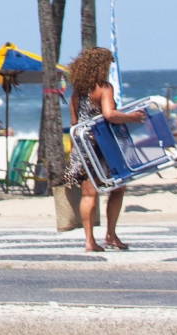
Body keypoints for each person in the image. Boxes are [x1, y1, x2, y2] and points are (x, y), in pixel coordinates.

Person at [64, 46, 145, 253]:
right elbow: (109, 115)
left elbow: (74, 122)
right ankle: (110, 234)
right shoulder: (104, 87)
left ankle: (89, 241)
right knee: (118, 188)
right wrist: (132, 117)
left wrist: (75, 152)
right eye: (107, 64)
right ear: (101, 66)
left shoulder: (78, 91)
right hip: (102, 145)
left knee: (88, 194)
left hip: (82, 145)